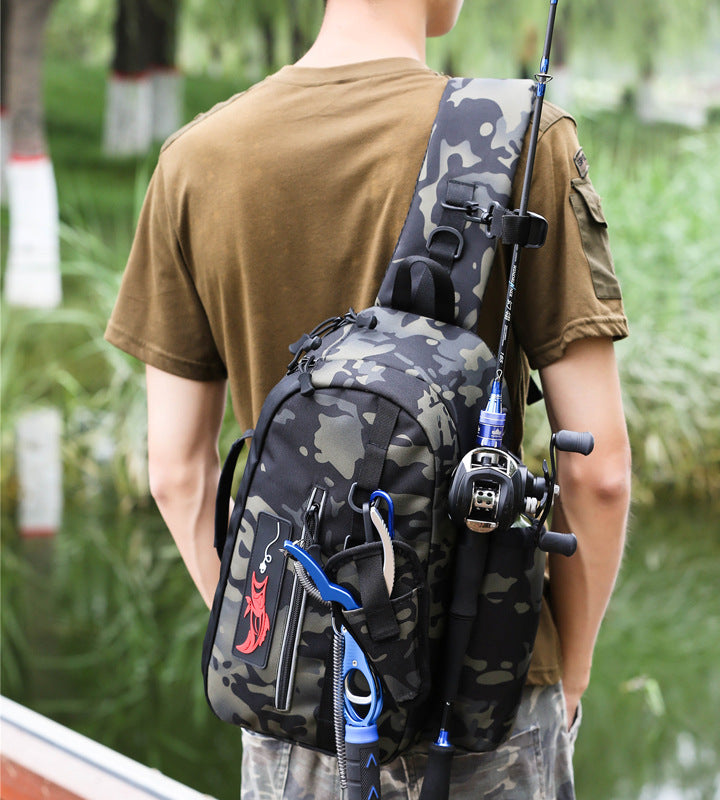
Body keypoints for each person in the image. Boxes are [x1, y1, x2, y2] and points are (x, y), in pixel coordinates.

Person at [105, 1, 631, 798]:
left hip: (295, 703)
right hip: (487, 698)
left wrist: (284, 638)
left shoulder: (195, 160)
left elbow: (177, 474)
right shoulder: (522, 138)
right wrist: (570, 670)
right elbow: (598, 473)